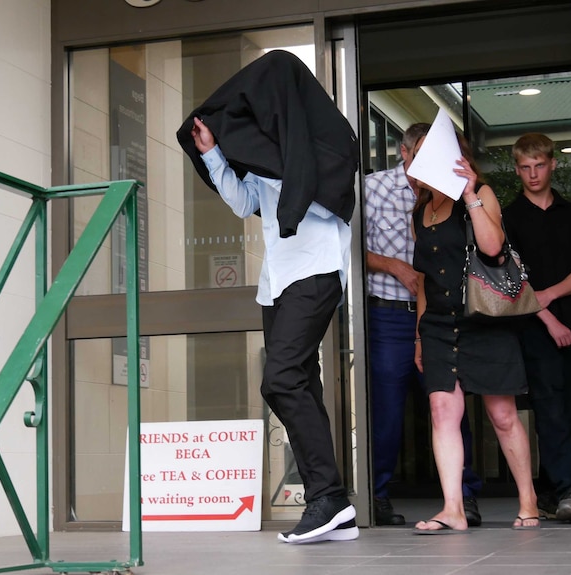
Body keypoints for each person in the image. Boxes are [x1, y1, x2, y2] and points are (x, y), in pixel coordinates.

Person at [178, 50, 360, 544]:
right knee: (299, 380)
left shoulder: (318, 142)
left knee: (278, 379)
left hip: (316, 270)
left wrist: (283, 158)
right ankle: (333, 503)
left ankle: (325, 496)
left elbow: (320, 191)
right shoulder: (263, 149)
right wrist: (214, 152)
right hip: (277, 280)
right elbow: (244, 203)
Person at [411, 135, 539, 533]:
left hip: (482, 320)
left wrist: (469, 195)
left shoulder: (480, 193)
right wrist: (419, 335)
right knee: (442, 411)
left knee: (502, 415)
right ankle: (453, 509)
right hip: (437, 324)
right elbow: (421, 281)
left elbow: (492, 247)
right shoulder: (420, 211)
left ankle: (529, 501)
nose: (415, 165)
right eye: (414, 158)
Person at [364, 122, 482, 528]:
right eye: (419, 159)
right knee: (386, 411)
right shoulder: (371, 188)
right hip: (386, 314)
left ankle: (464, 497)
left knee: (450, 407)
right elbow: (345, 247)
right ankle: (375, 496)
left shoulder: (447, 191)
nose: (424, 170)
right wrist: (394, 265)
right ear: (403, 152)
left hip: (440, 315)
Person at [502, 133, 571, 523]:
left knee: (567, 407)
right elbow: (510, 279)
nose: (533, 174)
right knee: (549, 405)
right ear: (517, 168)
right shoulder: (508, 217)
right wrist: (545, 314)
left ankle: (546, 490)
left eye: (539, 165)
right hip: (532, 326)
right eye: (525, 167)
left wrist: (548, 296)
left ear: (553, 164)